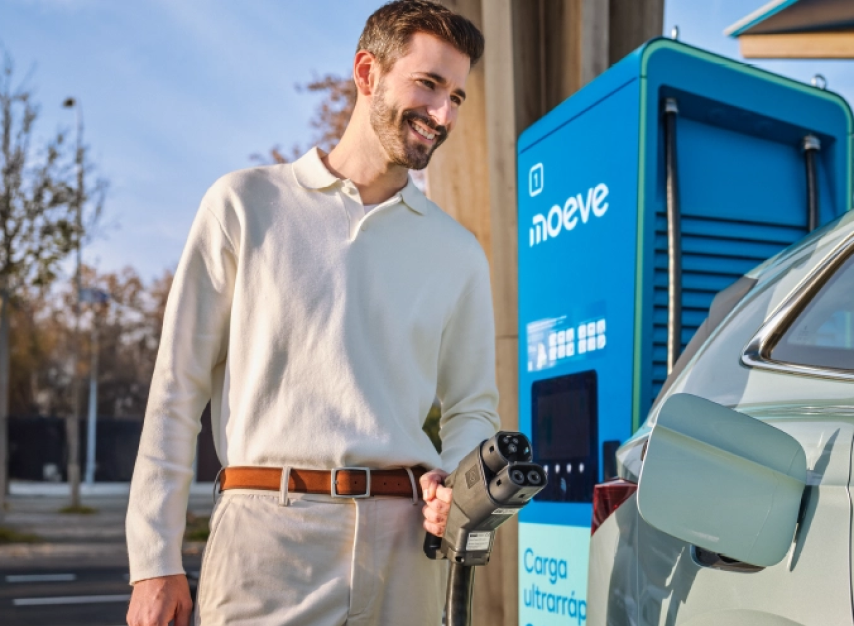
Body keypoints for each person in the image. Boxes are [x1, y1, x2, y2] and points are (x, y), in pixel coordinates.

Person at [125, 2, 498, 624]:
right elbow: (176, 391)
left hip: (406, 546)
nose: (443, 115)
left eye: (456, 96)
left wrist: (453, 491)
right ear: (367, 72)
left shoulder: (457, 251)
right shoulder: (243, 205)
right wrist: (154, 558)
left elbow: (472, 407)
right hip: (266, 540)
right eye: (429, 85)